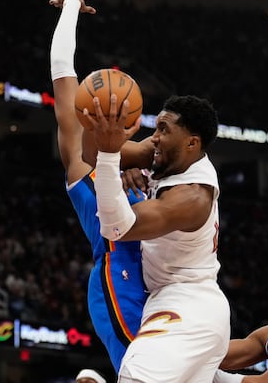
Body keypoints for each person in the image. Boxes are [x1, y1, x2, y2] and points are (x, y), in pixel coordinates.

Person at [86, 92, 230, 382]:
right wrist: (99, 130)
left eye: (164, 130)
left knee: (136, 375)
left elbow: (117, 228)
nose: (155, 137)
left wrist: (111, 156)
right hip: (171, 298)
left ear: (192, 142)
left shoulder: (192, 197)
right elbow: (88, 154)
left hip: (190, 303)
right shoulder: (169, 155)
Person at [46, 0, 153, 373]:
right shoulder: (79, 166)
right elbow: (62, 69)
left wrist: (74, 5)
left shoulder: (138, 165)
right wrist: (71, 10)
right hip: (117, 274)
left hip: (161, 276)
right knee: (141, 369)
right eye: (98, 113)